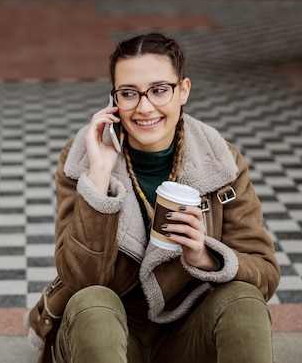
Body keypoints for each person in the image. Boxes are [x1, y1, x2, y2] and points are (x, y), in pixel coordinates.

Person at [25, 32, 280, 363]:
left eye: (159, 90)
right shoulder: (82, 161)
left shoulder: (220, 161)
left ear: (183, 90)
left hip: (189, 331)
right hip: (109, 332)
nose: (144, 107)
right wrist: (100, 176)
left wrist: (204, 255)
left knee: (244, 300)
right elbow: (82, 280)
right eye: (129, 93)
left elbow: (265, 272)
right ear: (114, 99)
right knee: (93, 303)